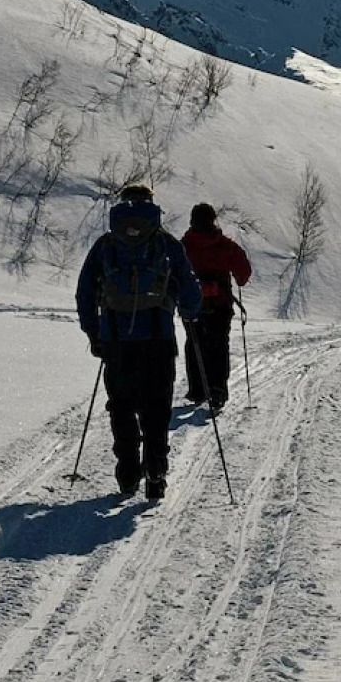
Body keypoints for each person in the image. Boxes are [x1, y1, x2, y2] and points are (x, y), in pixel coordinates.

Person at [76, 185, 201, 500]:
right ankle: (156, 469)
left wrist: (94, 333)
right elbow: (189, 289)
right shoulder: (166, 244)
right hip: (158, 341)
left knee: (121, 406)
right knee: (156, 408)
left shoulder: (106, 245)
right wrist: (189, 311)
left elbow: (85, 293)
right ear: (151, 205)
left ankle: (128, 472)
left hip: (116, 342)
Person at [180, 202, 252, 414]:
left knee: (194, 344)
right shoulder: (225, 245)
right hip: (220, 304)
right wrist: (237, 279)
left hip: (191, 305)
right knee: (218, 345)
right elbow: (243, 273)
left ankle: (197, 390)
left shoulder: (184, 246)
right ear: (213, 220)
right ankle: (217, 390)